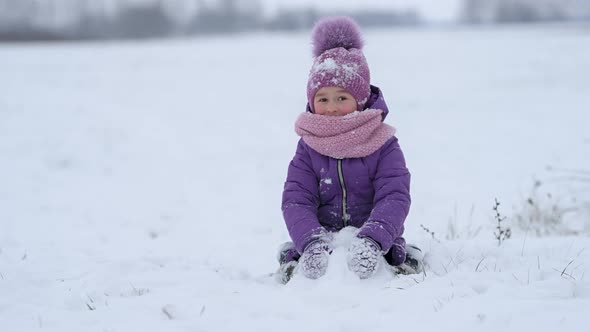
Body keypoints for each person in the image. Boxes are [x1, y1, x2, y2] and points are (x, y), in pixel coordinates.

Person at [277, 16, 423, 284]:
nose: (331, 107)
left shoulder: (382, 143)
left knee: (396, 261)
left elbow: (395, 195)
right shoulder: (308, 146)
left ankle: (400, 266)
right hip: (324, 238)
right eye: (323, 99)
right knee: (298, 261)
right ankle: (297, 268)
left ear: (360, 99)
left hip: (374, 239)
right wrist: (310, 240)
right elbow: (296, 198)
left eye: (341, 98)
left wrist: (373, 238)